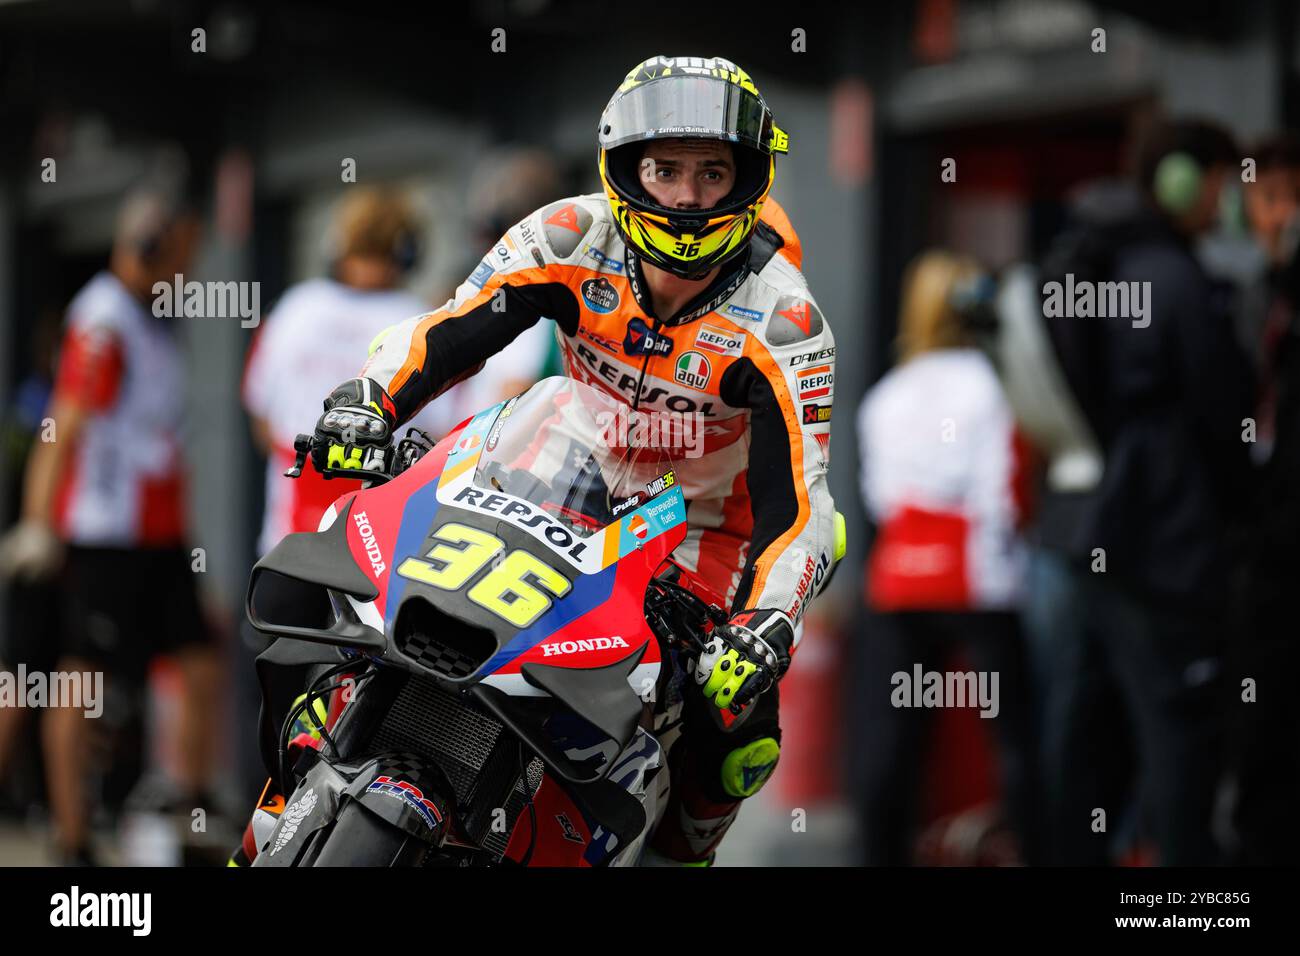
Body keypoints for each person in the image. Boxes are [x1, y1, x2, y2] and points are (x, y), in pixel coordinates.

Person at [305, 55, 835, 864]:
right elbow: (448, 331)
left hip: (691, 541)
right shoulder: (566, 234)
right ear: (626, 168)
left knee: (737, 729)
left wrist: (767, 622)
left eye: (711, 171)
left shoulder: (787, 321)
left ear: (748, 178)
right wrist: (367, 398)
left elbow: (802, 508)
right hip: (548, 481)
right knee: (351, 605)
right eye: (665, 171)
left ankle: (675, 854)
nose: (687, 198)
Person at [1039, 119, 1252, 865]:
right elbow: (1225, 415)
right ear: (1184, 183)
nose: (1233, 205)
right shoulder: (1176, 276)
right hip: (1168, 542)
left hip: (1100, 530)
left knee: (1090, 733)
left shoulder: (1104, 264)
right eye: (1227, 184)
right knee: (1179, 738)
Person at [0, 188, 221, 864]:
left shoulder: (148, 318)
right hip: (102, 537)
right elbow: (62, 425)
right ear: (154, 247)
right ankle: (72, 839)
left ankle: (188, 817)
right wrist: (38, 524)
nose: (191, 271)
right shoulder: (104, 320)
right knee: (74, 679)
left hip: (154, 539)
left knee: (202, 663)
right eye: (184, 253)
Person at [852, 251, 1040, 865]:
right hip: (978, 580)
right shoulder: (991, 387)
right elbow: (1001, 497)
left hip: (899, 580)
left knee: (891, 740)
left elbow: (880, 498)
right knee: (1013, 736)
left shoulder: (886, 395)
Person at [1225, 133, 1300, 865]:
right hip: (1258, 545)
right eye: (1263, 199)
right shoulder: (1251, 297)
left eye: (1286, 198)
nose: (1275, 215)